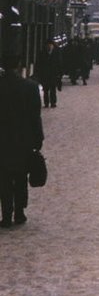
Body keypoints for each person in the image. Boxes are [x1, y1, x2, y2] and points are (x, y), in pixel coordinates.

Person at [0, 65, 44, 227]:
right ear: (20, 67)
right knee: (20, 178)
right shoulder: (30, 87)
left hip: (3, 140)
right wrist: (38, 139)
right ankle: (19, 212)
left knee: (4, 179)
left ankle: (6, 215)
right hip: (23, 140)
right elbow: (35, 116)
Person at [33, 39, 62, 108]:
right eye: (48, 45)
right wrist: (38, 73)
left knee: (53, 89)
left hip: (53, 74)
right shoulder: (42, 53)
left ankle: (53, 102)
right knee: (45, 89)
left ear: (52, 46)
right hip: (45, 74)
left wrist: (59, 73)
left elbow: (60, 63)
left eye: (50, 45)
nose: (49, 47)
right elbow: (38, 64)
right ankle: (46, 103)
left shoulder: (56, 53)